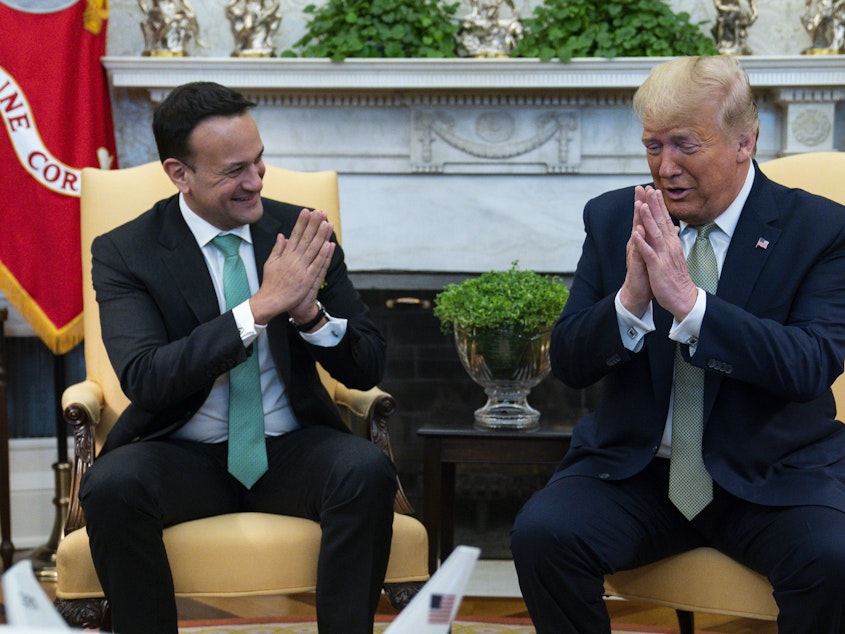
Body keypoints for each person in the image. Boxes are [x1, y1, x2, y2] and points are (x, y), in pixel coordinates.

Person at [510, 55, 845, 633]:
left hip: (770, 475)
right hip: (638, 471)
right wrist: (629, 303)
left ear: (746, 141)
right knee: (543, 535)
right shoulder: (617, 217)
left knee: (833, 560)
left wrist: (692, 308)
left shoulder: (819, 229)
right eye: (652, 146)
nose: (665, 168)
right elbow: (568, 360)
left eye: (686, 145)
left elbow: (810, 365)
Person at [79, 81, 397, 634]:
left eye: (259, 161)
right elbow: (147, 379)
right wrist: (259, 308)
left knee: (366, 469)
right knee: (111, 486)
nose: (254, 182)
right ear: (180, 173)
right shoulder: (126, 251)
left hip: (290, 446)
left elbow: (368, 364)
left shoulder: (300, 234)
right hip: (180, 451)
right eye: (233, 171)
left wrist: (308, 315)